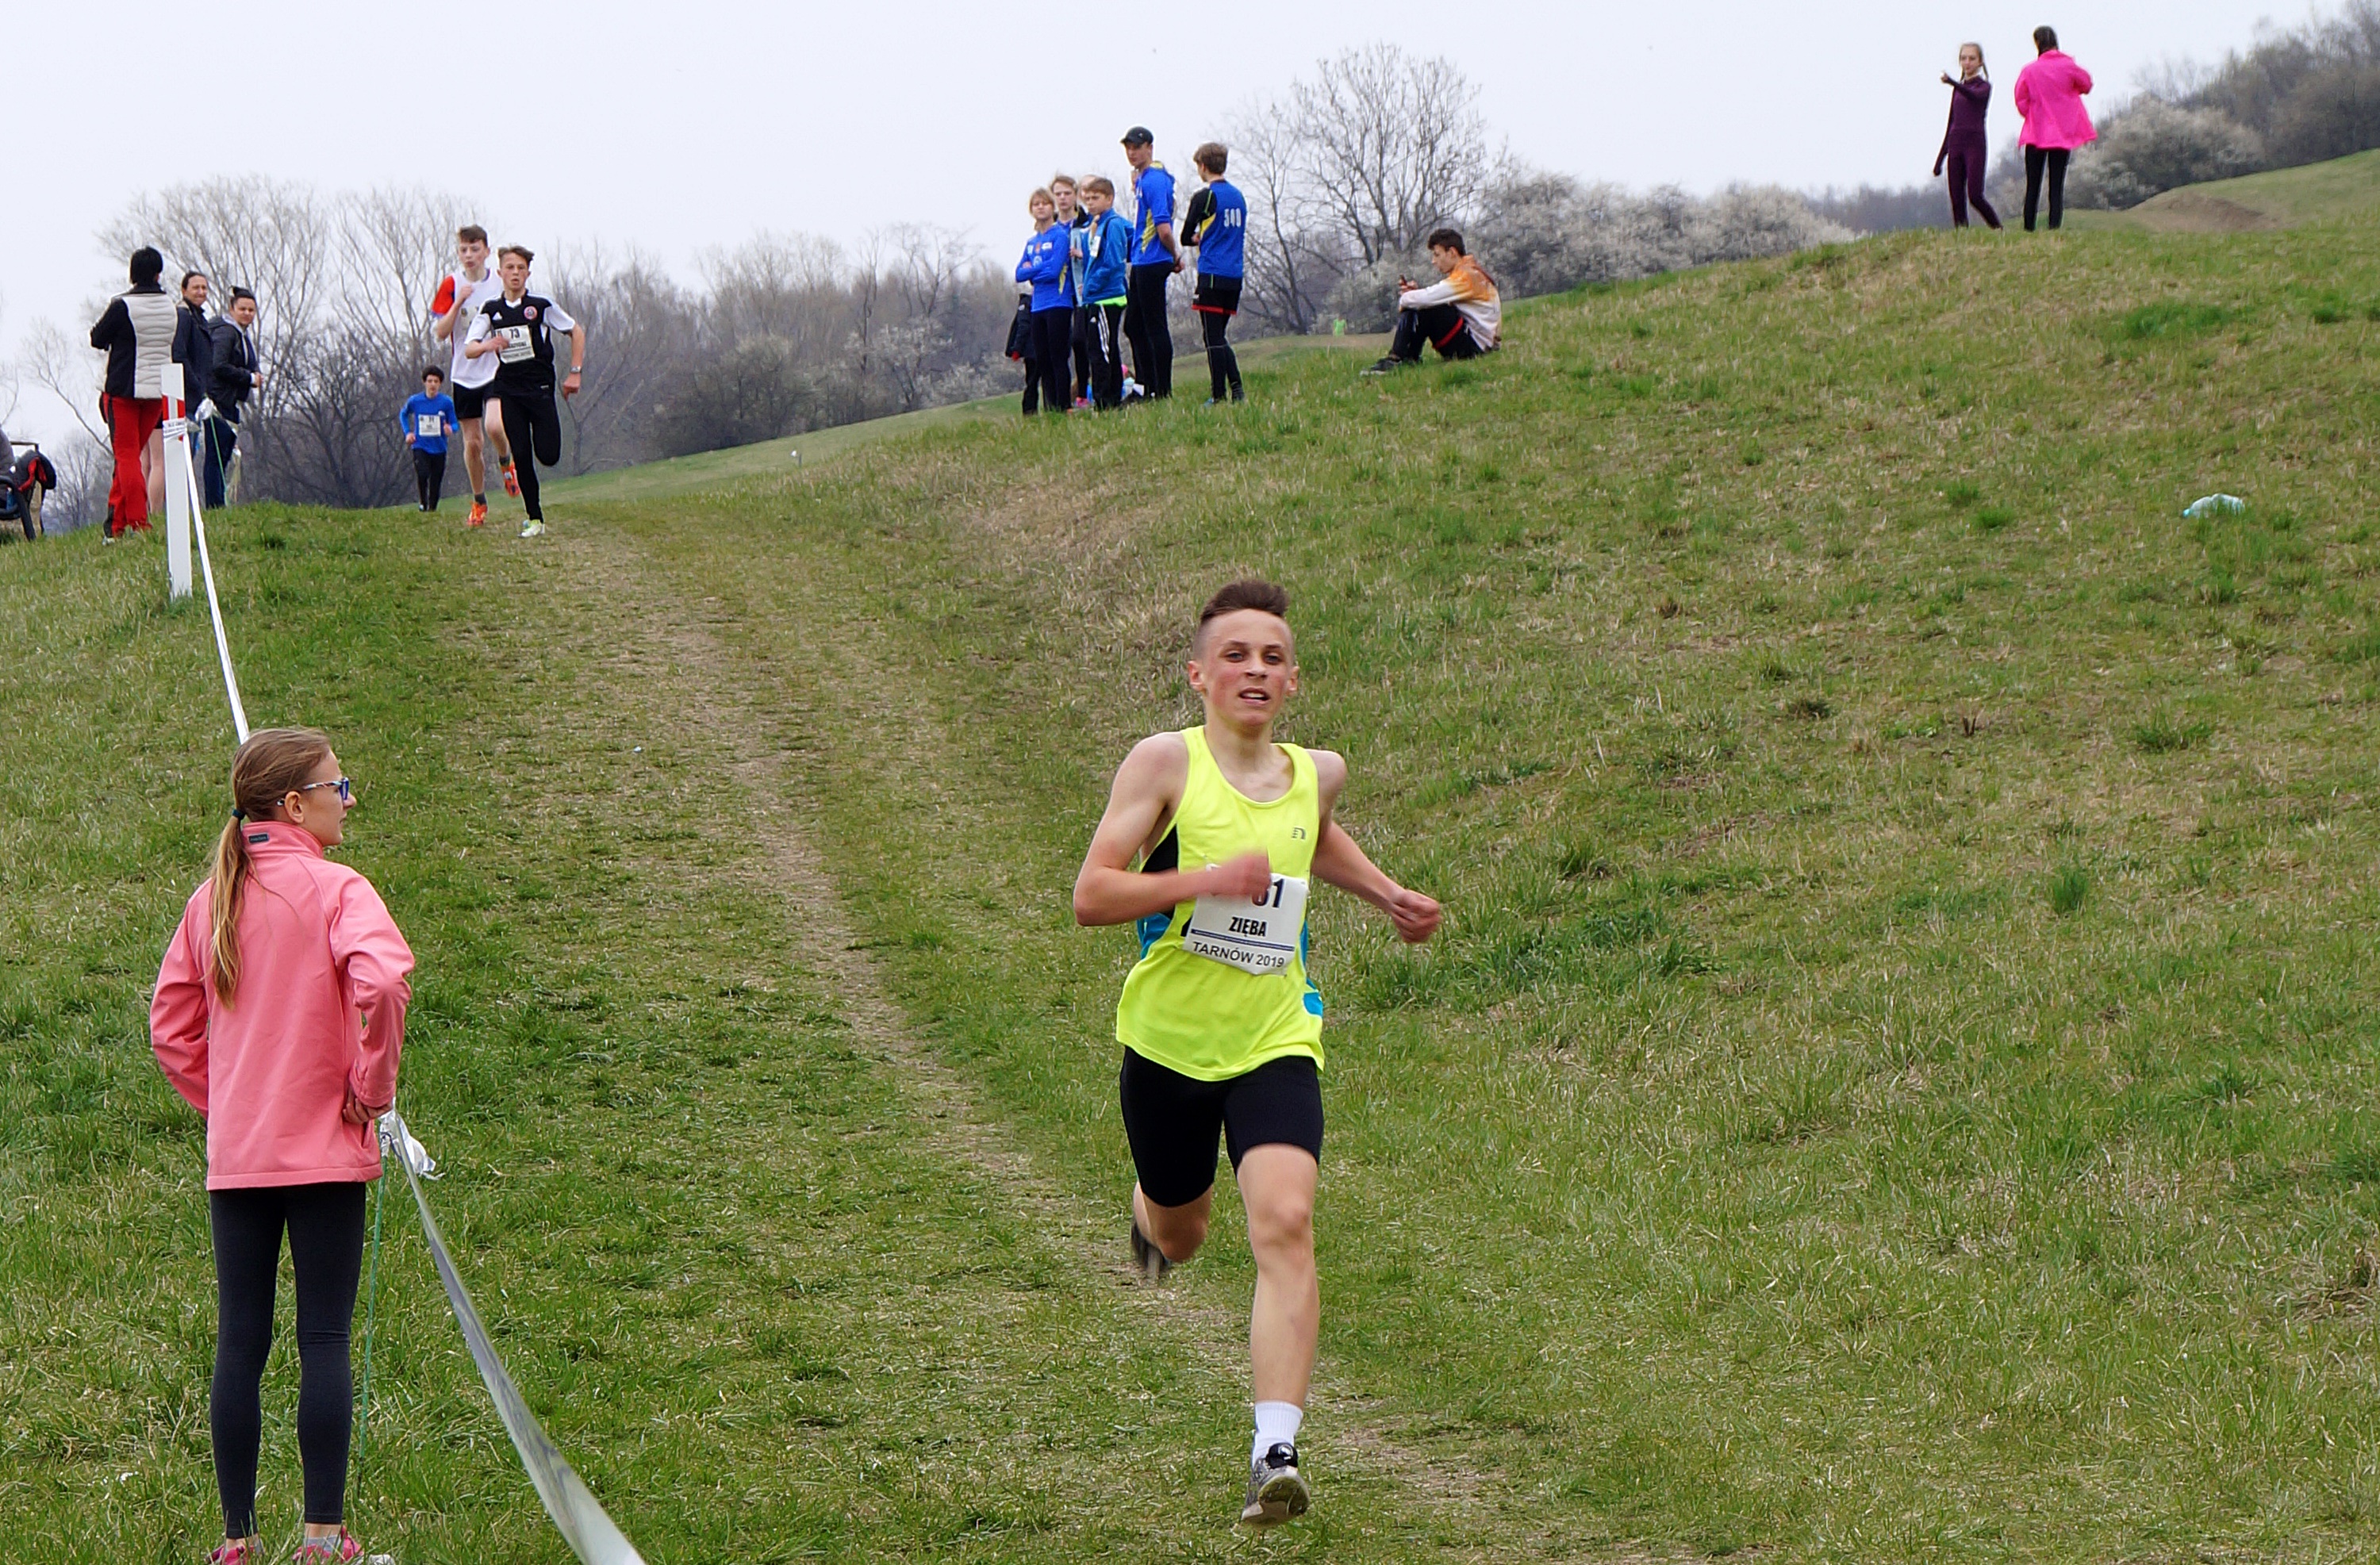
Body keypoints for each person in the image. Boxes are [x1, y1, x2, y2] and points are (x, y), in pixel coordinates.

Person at [1072, 578, 1442, 1528]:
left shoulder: (1316, 771)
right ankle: (1151, 1210)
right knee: (1183, 1233)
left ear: (1292, 682)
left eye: (1273, 657)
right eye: (1236, 654)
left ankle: (1273, 1451)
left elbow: (1311, 837)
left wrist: (1389, 893)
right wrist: (1202, 877)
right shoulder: (1164, 763)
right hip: (1167, 1041)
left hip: (1277, 1035)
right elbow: (1092, 894)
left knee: (1284, 1219)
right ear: (1198, 673)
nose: (1255, 669)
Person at [150, 727, 414, 1565]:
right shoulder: (340, 890)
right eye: (342, 785)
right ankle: (324, 1536)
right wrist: (370, 1090)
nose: (350, 798)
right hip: (329, 1152)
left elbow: (170, 1030)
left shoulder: (210, 899)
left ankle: (236, 1538)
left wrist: (227, 1105)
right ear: (295, 803)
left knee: (241, 1340)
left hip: (242, 1161)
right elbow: (384, 982)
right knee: (323, 1339)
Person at [462, 245, 584, 539]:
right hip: (509, 390)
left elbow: (575, 331)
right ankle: (535, 518)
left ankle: (535, 506)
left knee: (549, 454)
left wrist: (575, 373)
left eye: (521, 268)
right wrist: (487, 346)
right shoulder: (491, 310)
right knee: (522, 453)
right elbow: (469, 348)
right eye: (510, 268)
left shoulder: (541, 306)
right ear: (501, 272)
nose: (515, 273)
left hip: (540, 388)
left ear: (528, 273)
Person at [431, 224, 516, 527]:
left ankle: (507, 462)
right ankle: (479, 501)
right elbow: (440, 333)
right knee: (473, 444)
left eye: (475, 249)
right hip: (464, 373)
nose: (469, 255)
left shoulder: (498, 281)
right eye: (464, 250)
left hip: (495, 366)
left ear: (486, 252)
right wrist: (458, 302)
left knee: (495, 426)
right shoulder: (452, 284)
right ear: (459, 253)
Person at [89, 246, 177, 538]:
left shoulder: (122, 306)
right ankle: (115, 525)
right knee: (132, 456)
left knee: (126, 457)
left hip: (123, 390)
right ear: (158, 273)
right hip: (156, 391)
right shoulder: (170, 306)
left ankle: (140, 522)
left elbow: (97, 338)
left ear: (132, 274)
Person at [1363, 229, 1501, 374]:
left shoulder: (1466, 276)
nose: (1433, 261)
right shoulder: (1471, 271)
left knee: (1420, 303)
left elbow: (1426, 299)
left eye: (1437, 254)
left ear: (1452, 252)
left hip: (1475, 347)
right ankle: (1407, 358)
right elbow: (1433, 297)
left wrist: (1406, 298)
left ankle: (1397, 358)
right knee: (1422, 303)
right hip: (1482, 342)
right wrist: (1415, 295)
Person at [1181, 143, 1248, 405]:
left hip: (1211, 273)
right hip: (1234, 275)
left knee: (1212, 337)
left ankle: (1218, 394)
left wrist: (1197, 238)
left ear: (1203, 167)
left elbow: (1186, 236)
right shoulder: (1239, 196)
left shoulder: (1205, 197)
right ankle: (1237, 389)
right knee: (1218, 336)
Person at [2013, 25, 2094, 232]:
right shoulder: (2068, 66)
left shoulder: (2029, 70)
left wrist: (2032, 113)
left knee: (2033, 185)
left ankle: (2028, 228)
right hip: (2062, 133)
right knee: (2056, 185)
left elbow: (2020, 99)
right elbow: (2086, 85)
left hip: (2036, 133)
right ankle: (2054, 227)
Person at [1121, 127, 1180, 400]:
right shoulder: (1145, 180)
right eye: (1128, 148)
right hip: (1143, 260)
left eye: (1137, 147)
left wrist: (1174, 255)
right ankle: (1146, 384)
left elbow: (1163, 227)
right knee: (1133, 325)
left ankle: (1161, 390)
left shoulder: (1155, 181)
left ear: (1149, 147)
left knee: (1154, 326)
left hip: (1153, 259)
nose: (1132, 153)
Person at [1076, 178, 1134, 410]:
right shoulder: (1095, 225)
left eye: (1096, 198)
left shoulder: (1113, 225)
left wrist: (1091, 285)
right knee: (1101, 348)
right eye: (1087, 198)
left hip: (1106, 296)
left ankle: (1105, 401)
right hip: (1096, 296)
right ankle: (1109, 399)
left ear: (1109, 199)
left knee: (1101, 352)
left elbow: (1113, 263)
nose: (1091, 203)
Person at [1014, 189, 1073, 417]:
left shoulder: (1059, 236)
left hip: (1058, 302)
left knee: (1059, 357)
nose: (1041, 208)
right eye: (1036, 204)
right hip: (1038, 306)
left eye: (1045, 203)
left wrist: (1033, 271)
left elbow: (1054, 270)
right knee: (1043, 359)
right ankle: (1051, 408)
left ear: (1052, 208)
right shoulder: (1032, 243)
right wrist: (1036, 270)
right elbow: (1019, 273)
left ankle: (1064, 404)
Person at [205, 289, 263, 509]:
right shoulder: (226, 333)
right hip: (219, 400)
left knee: (225, 453)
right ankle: (215, 505)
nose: (247, 314)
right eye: (242, 309)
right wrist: (248, 378)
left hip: (230, 400)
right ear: (232, 309)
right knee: (217, 456)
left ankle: (218, 503)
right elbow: (218, 365)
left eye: (251, 310)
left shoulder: (240, 333)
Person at [1936, 45, 2003, 229]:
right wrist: (1941, 158)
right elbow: (1951, 123)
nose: (1967, 63)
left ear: (1980, 62)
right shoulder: (1957, 90)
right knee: (1956, 198)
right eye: (1964, 58)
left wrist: (1952, 82)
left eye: (1972, 58)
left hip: (1975, 145)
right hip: (1956, 145)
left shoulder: (1984, 87)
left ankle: (1998, 230)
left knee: (1975, 195)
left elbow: (1974, 96)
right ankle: (1962, 238)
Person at [169, 271, 219, 513]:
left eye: (204, 288)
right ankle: (174, 509)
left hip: (197, 397)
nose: (201, 292)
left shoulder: (200, 318)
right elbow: (179, 355)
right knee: (182, 456)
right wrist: (197, 387)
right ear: (184, 290)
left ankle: (183, 508)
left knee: (192, 452)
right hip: (185, 397)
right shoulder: (183, 316)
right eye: (196, 288)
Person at [1051, 175, 1094, 407]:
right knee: (1058, 345)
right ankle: (1058, 400)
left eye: (1067, 193)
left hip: (1082, 289)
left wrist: (1082, 255)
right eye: (1058, 194)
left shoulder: (1087, 222)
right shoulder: (1052, 225)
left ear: (1075, 194)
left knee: (1080, 340)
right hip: (1058, 292)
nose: (1062, 198)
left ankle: (1083, 394)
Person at [401, 367, 459, 512]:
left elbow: (455, 423)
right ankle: (423, 503)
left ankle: (432, 509)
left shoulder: (446, 402)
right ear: (424, 382)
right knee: (423, 473)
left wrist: (450, 429)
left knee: (436, 480)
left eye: (436, 381)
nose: (432, 385)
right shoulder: (415, 401)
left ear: (440, 384)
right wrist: (408, 433)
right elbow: (403, 415)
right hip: (420, 445)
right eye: (430, 381)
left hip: (439, 447)